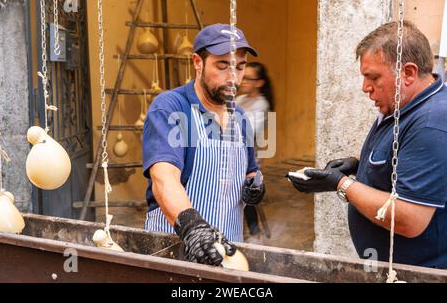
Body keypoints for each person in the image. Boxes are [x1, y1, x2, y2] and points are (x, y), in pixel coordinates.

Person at [288, 21, 447, 268]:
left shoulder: (430, 123)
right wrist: (358, 165)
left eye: (373, 77)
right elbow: (404, 160)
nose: (365, 88)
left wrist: (341, 184)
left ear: (408, 73)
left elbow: (410, 219)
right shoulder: (405, 104)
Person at [142, 23, 266, 266]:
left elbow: (250, 170)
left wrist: (254, 183)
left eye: (240, 67)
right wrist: (192, 228)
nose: (234, 77)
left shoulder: (240, 118)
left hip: (228, 255)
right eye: (222, 65)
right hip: (174, 252)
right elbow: (163, 179)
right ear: (198, 62)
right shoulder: (171, 107)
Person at [236, 62, 274, 236]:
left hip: (250, 156)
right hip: (233, 153)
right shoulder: (239, 100)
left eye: (248, 79)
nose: (243, 82)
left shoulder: (262, 104)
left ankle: (254, 231)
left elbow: (249, 131)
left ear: (259, 82)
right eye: (242, 77)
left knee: (246, 190)